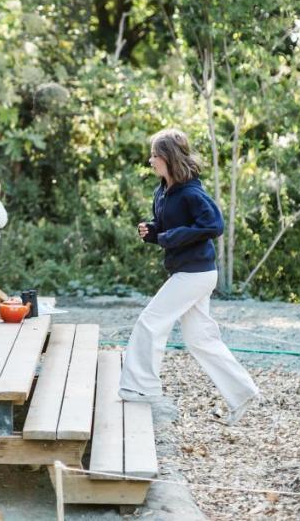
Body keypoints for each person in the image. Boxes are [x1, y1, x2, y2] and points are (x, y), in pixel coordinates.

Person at [119, 128, 260, 425]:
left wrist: (172, 235)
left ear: (168, 158)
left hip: (195, 273)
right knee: (199, 339)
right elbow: (169, 229)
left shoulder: (192, 192)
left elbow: (214, 225)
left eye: (155, 156)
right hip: (190, 271)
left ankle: (140, 389)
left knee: (150, 322)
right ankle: (242, 392)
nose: (150, 161)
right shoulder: (163, 190)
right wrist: (154, 232)